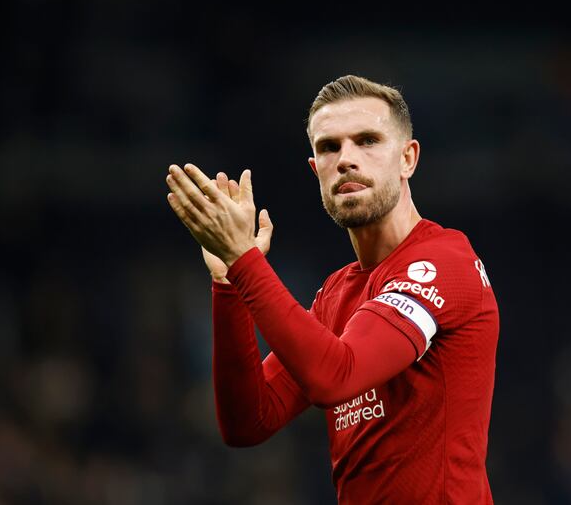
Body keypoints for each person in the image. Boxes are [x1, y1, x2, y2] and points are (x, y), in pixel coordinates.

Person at [165, 75, 500, 503]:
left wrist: (245, 262)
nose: (346, 159)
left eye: (367, 141)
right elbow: (248, 422)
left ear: (408, 158)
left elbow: (335, 377)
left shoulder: (444, 263)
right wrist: (229, 281)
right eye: (329, 147)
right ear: (315, 169)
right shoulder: (337, 293)